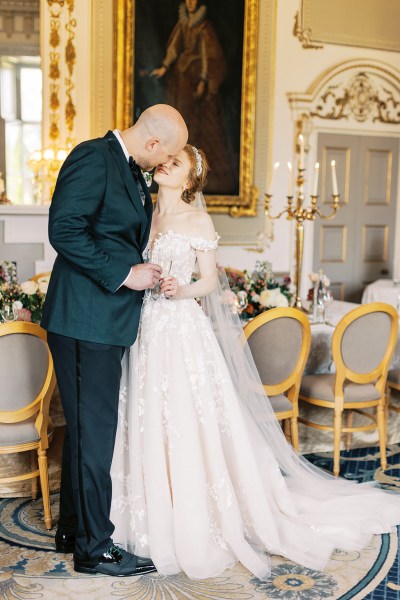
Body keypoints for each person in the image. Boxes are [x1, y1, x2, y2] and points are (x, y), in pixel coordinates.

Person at [110, 144, 400, 580]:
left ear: (189, 181)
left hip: (180, 329)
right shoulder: (144, 212)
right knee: (145, 414)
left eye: (177, 163)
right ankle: (150, 507)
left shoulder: (197, 219)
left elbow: (207, 281)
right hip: (143, 329)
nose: (165, 165)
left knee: (189, 419)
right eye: (165, 160)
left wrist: (178, 289)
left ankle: (198, 514)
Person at [41, 104, 188, 577]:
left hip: (101, 320)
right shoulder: (93, 156)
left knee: (86, 428)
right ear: (151, 144)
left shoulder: (124, 166)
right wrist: (126, 274)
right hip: (86, 320)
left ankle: (72, 529)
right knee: (95, 432)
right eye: (164, 155)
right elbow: (64, 229)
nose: (162, 165)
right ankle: (95, 548)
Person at [150, 0, 236, 194]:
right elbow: (174, 46)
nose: (189, 3)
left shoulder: (205, 28)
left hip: (195, 77)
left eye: (176, 163)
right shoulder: (182, 25)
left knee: (200, 123)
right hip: (181, 79)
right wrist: (165, 66)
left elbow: (210, 55)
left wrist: (204, 80)